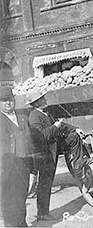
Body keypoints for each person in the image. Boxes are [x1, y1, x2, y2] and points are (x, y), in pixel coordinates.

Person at [27, 92, 89, 221]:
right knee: (45, 183)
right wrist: (55, 127)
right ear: (36, 103)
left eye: (43, 98)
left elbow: (60, 124)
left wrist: (75, 129)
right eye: (41, 99)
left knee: (73, 137)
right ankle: (42, 213)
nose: (44, 100)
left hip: (52, 148)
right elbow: (42, 136)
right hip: (44, 154)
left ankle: (78, 165)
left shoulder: (45, 112)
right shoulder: (33, 116)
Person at [0, 86, 32, 227]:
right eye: (4, 100)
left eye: (10, 100)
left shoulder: (23, 118)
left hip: (23, 164)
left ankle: (21, 223)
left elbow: (30, 141)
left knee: (21, 196)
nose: (8, 103)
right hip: (6, 166)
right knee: (8, 199)